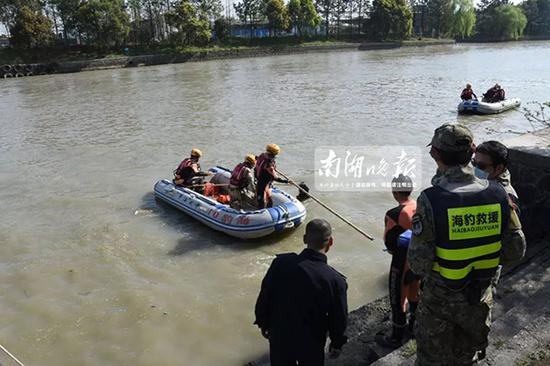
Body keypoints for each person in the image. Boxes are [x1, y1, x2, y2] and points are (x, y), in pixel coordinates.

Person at [408, 123, 526, 365]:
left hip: (439, 302)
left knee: (432, 359)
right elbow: (516, 249)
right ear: (471, 152)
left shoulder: (431, 199)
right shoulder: (498, 194)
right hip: (479, 298)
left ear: (435, 154)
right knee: (468, 357)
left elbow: (419, 263)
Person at [254, 219, 348, 366]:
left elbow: (265, 295)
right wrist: (337, 343)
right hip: (312, 340)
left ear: (304, 239)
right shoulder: (335, 280)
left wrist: (262, 322)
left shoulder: (280, 263)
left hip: (280, 334)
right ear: (330, 242)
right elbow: (339, 317)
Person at [375, 174, 420, 349]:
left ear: (395, 192)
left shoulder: (394, 214)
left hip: (402, 260)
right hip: (418, 259)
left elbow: (388, 240)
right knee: (415, 293)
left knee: (398, 299)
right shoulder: (419, 205)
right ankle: (414, 327)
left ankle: (395, 338)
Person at [473, 141, 520, 212]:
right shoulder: (483, 181)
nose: (475, 168)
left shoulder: (506, 197)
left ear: (499, 168)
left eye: (481, 166)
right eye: (473, 163)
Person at [255, 144, 289, 209]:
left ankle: (267, 209)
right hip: (263, 184)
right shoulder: (269, 163)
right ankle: (262, 213)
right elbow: (275, 177)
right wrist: (286, 181)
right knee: (262, 202)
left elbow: (258, 159)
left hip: (262, 181)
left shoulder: (262, 155)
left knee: (269, 201)